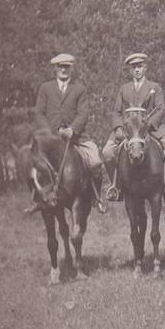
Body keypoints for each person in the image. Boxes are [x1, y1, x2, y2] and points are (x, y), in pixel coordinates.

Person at [25, 53, 107, 213]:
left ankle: (96, 198)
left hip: (77, 138)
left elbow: (83, 113)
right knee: (33, 165)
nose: (63, 70)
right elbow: (39, 113)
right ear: (55, 69)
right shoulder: (45, 88)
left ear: (71, 69)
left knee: (96, 162)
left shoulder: (79, 89)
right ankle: (36, 199)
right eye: (60, 67)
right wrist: (49, 133)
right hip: (50, 138)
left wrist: (72, 129)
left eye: (67, 67)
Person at [102, 53, 165, 200]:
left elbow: (161, 109)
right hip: (128, 129)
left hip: (150, 127)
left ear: (145, 68)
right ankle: (115, 187)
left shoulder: (154, 87)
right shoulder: (124, 88)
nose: (137, 70)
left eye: (139, 66)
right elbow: (116, 111)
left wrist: (148, 124)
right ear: (130, 70)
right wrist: (118, 127)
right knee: (107, 152)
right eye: (134, 67)